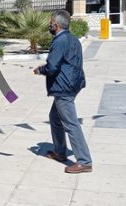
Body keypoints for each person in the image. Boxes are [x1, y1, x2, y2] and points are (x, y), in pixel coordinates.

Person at [33, 9, 92, 174]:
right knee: (54, 117)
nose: (49, 25)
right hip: (73, 84)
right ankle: (60, 151)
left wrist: (40, 70)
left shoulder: (60, 41)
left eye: (51, 22)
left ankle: (84, 161)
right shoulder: (73, 39)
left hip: (63, 87)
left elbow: (52, 67)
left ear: (56, 25)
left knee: (71, 123)